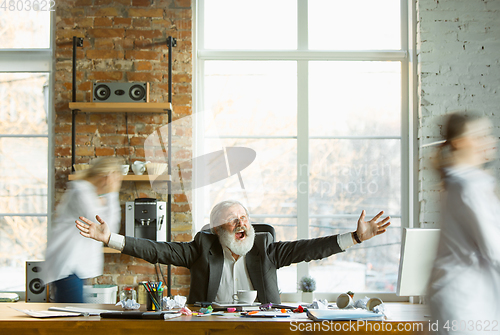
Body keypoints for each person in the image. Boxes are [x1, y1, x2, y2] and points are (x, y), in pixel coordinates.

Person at [76, 200, 390, 304]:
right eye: (231, 221)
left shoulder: (265, 248)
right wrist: (110, 239)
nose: (241, 223)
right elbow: (158, 250)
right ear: (216, 231)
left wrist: (355, 238)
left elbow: (309, 249)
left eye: (243, 218)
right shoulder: (202, 248)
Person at [427, 113, 500, 334]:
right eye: (478, 136)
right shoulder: (468, 186)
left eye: (488, 135)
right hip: (465, 307)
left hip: (461, 302)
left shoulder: (460, 182)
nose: (489, 141)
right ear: (458, 142)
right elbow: (494, 247)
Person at [45, 158, 123, 303]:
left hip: (76, 267)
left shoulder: (91, 194)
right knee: (73, 321)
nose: (117, 182)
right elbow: (107, 228)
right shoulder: (80, 191)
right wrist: (112, 194)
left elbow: (109, 230)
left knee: (73, 317)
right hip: (68, 265)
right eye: (116, 178)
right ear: (106, 176)